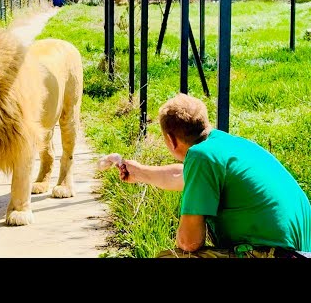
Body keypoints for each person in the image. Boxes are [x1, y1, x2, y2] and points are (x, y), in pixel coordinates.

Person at [117, 93, 311, 258]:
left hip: (272, 253)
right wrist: (140, 172)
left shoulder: (200, 156)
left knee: (171, 256)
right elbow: (182, 176)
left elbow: (189, 243)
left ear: (171, 140)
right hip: (298, 251)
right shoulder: (226, 146)